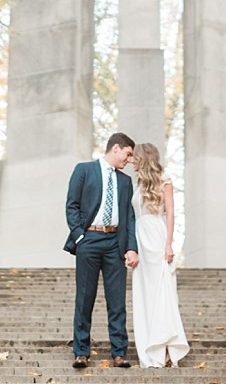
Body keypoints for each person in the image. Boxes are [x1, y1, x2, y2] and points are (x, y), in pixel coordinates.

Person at [64, 131, 139, 370]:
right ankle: (81, 352)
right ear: (116, 148)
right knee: (85, 298)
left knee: (117, 301)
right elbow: (72, 205)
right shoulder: (84, 170)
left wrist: (131, 247)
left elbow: (129, 216)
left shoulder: (125, 182)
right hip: (89, 239)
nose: (128, 160)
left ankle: (119, 353)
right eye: (127, 155)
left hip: (115, 243)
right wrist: (80, 236)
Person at [130, 142, 189, 369]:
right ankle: (149, 349)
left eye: (135, 157)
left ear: (144, 158)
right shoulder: (135, 183)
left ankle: (165, 348)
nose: (132, 161)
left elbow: (171, 213)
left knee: (162, 294)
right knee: (145, 295)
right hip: (141, 240)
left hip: (157, 237)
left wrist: (168, 244)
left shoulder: (165, 182)